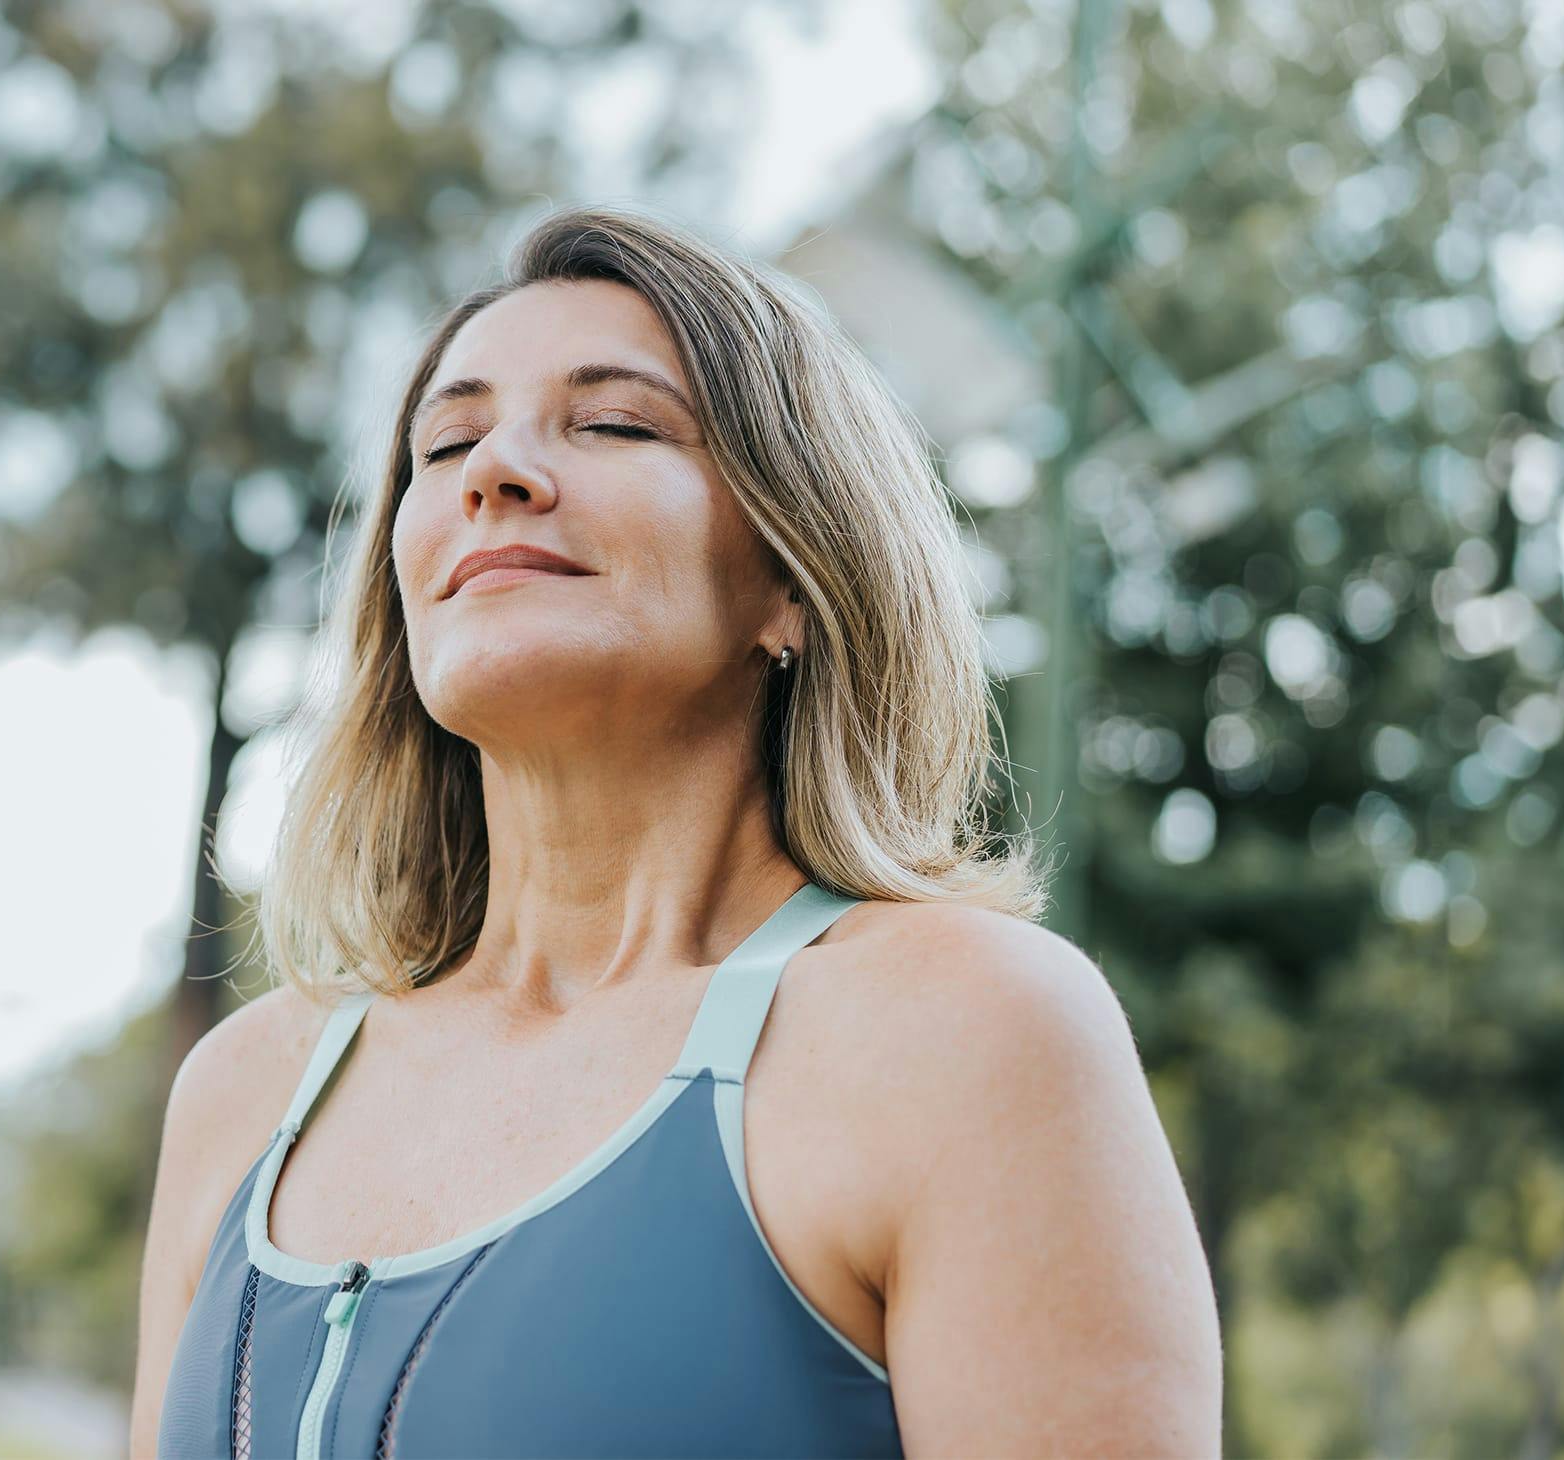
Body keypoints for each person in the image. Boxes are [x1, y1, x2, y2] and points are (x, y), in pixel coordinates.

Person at [129, 203, 1222, 1458]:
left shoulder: (970, 1032)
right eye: (446, 442)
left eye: (611, 423)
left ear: (794, 578)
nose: (495, 472)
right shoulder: (245, 1086)